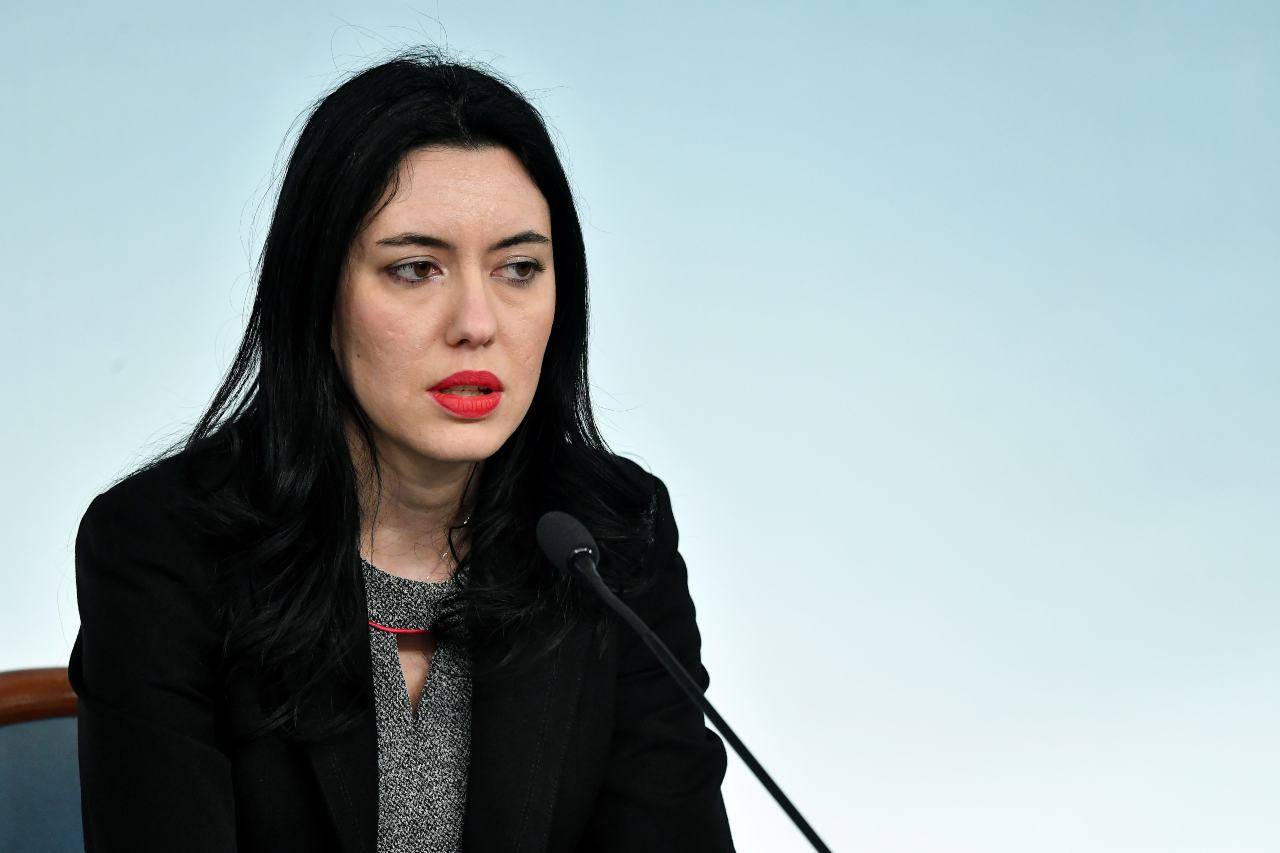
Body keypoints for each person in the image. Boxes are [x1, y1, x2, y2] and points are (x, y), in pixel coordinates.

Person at [68, 47, 735, 853]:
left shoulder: (611, 540)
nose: (477, 323)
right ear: (317, 292)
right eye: (416, 269)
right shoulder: (161, 549)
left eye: (520, 267)